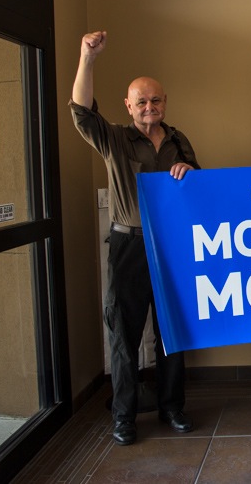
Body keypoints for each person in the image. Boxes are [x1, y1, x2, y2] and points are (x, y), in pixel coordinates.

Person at [70, 31, 199, 446]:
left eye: (155, 100)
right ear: (129, 106)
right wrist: (87, 58)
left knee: (171, 332)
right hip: (129, 246)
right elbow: (80, 112)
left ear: (165, 103)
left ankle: (171, 407)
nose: (149, 107)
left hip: (173, 248)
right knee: (123, 335)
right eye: (141, 101)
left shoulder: (179, 141)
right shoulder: (114, 138)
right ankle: (123, 417)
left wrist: (191, 176)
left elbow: (201, 192)